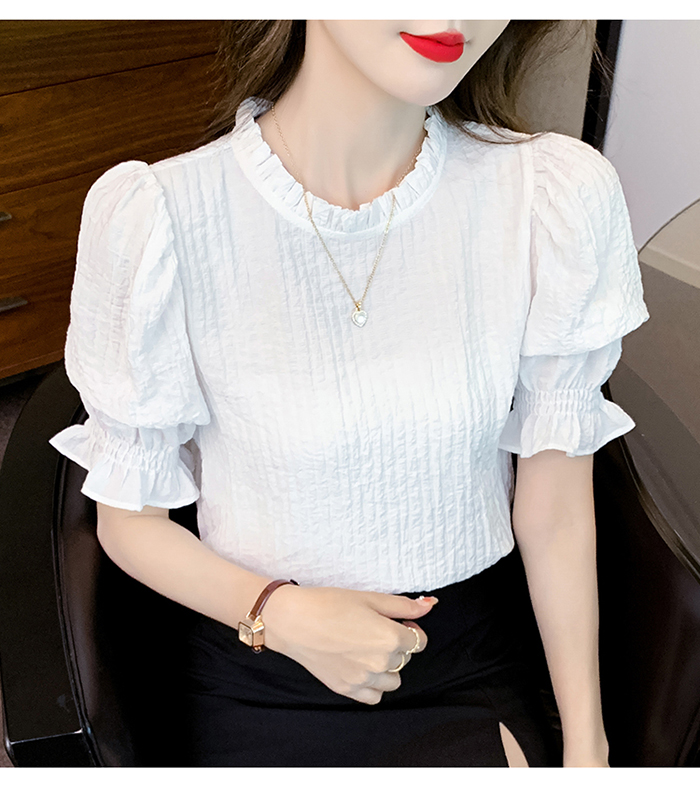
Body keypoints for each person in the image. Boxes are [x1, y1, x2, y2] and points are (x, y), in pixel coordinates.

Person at [48, 20, 650, 767]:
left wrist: (588, 749)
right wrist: (279, 614)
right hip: (262, 662)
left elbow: (555, 512)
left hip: (462, 663)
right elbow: (129, 522)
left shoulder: (548, 196)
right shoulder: (162, 217)